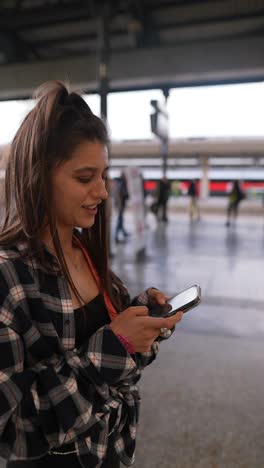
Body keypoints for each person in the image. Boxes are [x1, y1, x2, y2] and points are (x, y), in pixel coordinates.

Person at [0, 81, 183, 468]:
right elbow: (11, 428)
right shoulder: (9, 277)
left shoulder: (86, 253)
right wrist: (114, 346)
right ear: (37, 178)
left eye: (104, 175)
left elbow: (115, 361)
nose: (102, 191)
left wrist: (140, 324)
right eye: (85, 178)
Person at [114, 171, 130, 243]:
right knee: (119, 220)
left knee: (121, 219)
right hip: (120, 205)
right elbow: (122, 194)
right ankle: (116, 237)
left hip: (121, 204)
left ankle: (123, 232)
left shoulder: (121, 183)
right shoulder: (121, 184)